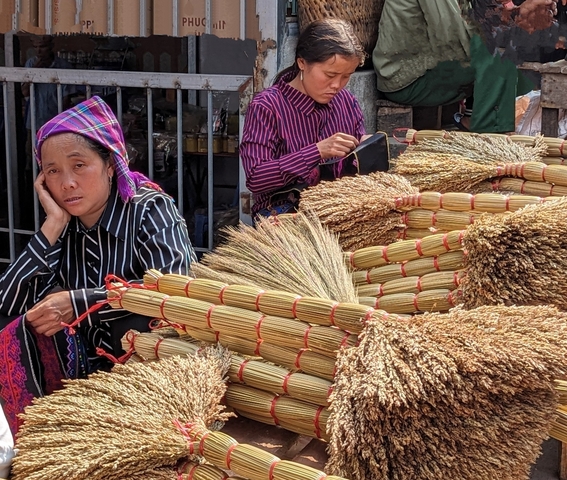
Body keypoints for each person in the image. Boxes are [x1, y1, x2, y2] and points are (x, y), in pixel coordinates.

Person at [0, 96, 197, 438]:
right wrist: (53, 223)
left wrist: (79, 302)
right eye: (53, 171)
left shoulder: (149, 209)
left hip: (148, 367)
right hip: (84, 369)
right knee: (14, 324)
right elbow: (7, 302)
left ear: (110, 163)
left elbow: (176, 291)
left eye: (79, 165)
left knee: (139, 313)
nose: (67, 183)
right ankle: (40, 432)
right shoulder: (64, 223)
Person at [240, 18, 368, 218]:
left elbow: (357, 162)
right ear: (302, 62)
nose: (337, 85)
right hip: (283, 217)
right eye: (329, 74)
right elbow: (256, 177)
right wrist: (316, 152)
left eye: (346, 76)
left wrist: (366, 149)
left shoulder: (346, 101)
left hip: (339, 211)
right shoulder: (267, 106)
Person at [372, 0, 558, 133]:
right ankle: (489, 136)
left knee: (521, 45)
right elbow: (454, 37)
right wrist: (517, 17)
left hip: (437, 64)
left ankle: (510, 122)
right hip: (408, 76)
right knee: (500, 49)